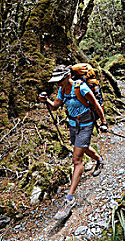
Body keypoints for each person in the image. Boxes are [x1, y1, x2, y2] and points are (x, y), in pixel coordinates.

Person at [39, 64, 108, 220]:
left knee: (77, 159)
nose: (57, 83)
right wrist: (46, 100)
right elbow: (55, 106)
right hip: (73, 124)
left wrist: (103, 122)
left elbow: (96, 105)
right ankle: (99, 159)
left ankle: (69, 199)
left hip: (86, 124)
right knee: (81, 148)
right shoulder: (62, 90)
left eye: (59, 80)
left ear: (68, 76)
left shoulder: (81, 88)